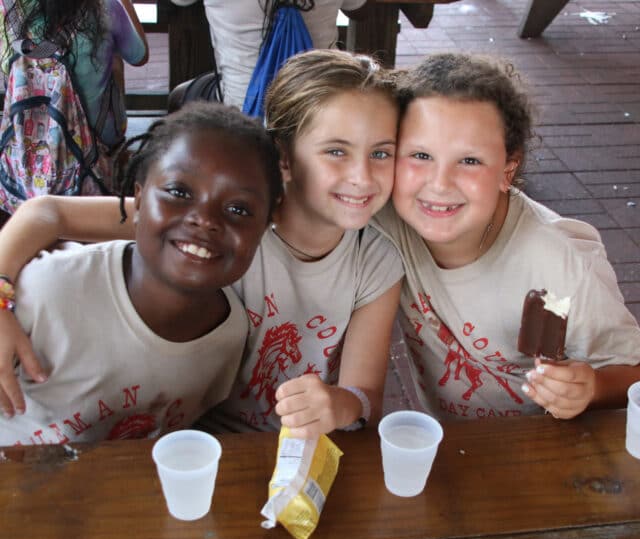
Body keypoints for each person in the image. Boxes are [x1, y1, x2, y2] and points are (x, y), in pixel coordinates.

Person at [0, 49, 403, 439]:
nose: (362, 176)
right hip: (192, 437)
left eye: (381, 153)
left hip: (291, 452)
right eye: (336, 151)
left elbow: (364, 398)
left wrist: (339, 404)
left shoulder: (373, 261)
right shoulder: (228, 219)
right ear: (284, 158)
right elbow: (48, 213)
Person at [373, 52, 640, 421]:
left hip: (545, 448)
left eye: (470, 161)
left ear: (507, 171)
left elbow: (632, 372)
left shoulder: (559, 263)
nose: (439, 183)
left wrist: (591, 387)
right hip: (453, 445)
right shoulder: (387, 221)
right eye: (420, 155)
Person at [0, 101, 282, 445]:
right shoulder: (46, 292)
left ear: (266, 226)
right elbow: (45, 212)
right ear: (137, 199)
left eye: (238, 208)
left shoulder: (229, 335)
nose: (205, 219)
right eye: (179, 192)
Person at [0, 0, 148, 150]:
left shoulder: (10, 8)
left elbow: (6, 67)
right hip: (95, 138)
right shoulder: (107, 7)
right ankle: (114, 148)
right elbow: (139, 57)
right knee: (114, 58)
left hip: (24, 141)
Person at [169, 0, 368, 109]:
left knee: (179, 94)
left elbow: (177, 2)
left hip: (240, 104)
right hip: (320, 100)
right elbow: (360, 10)